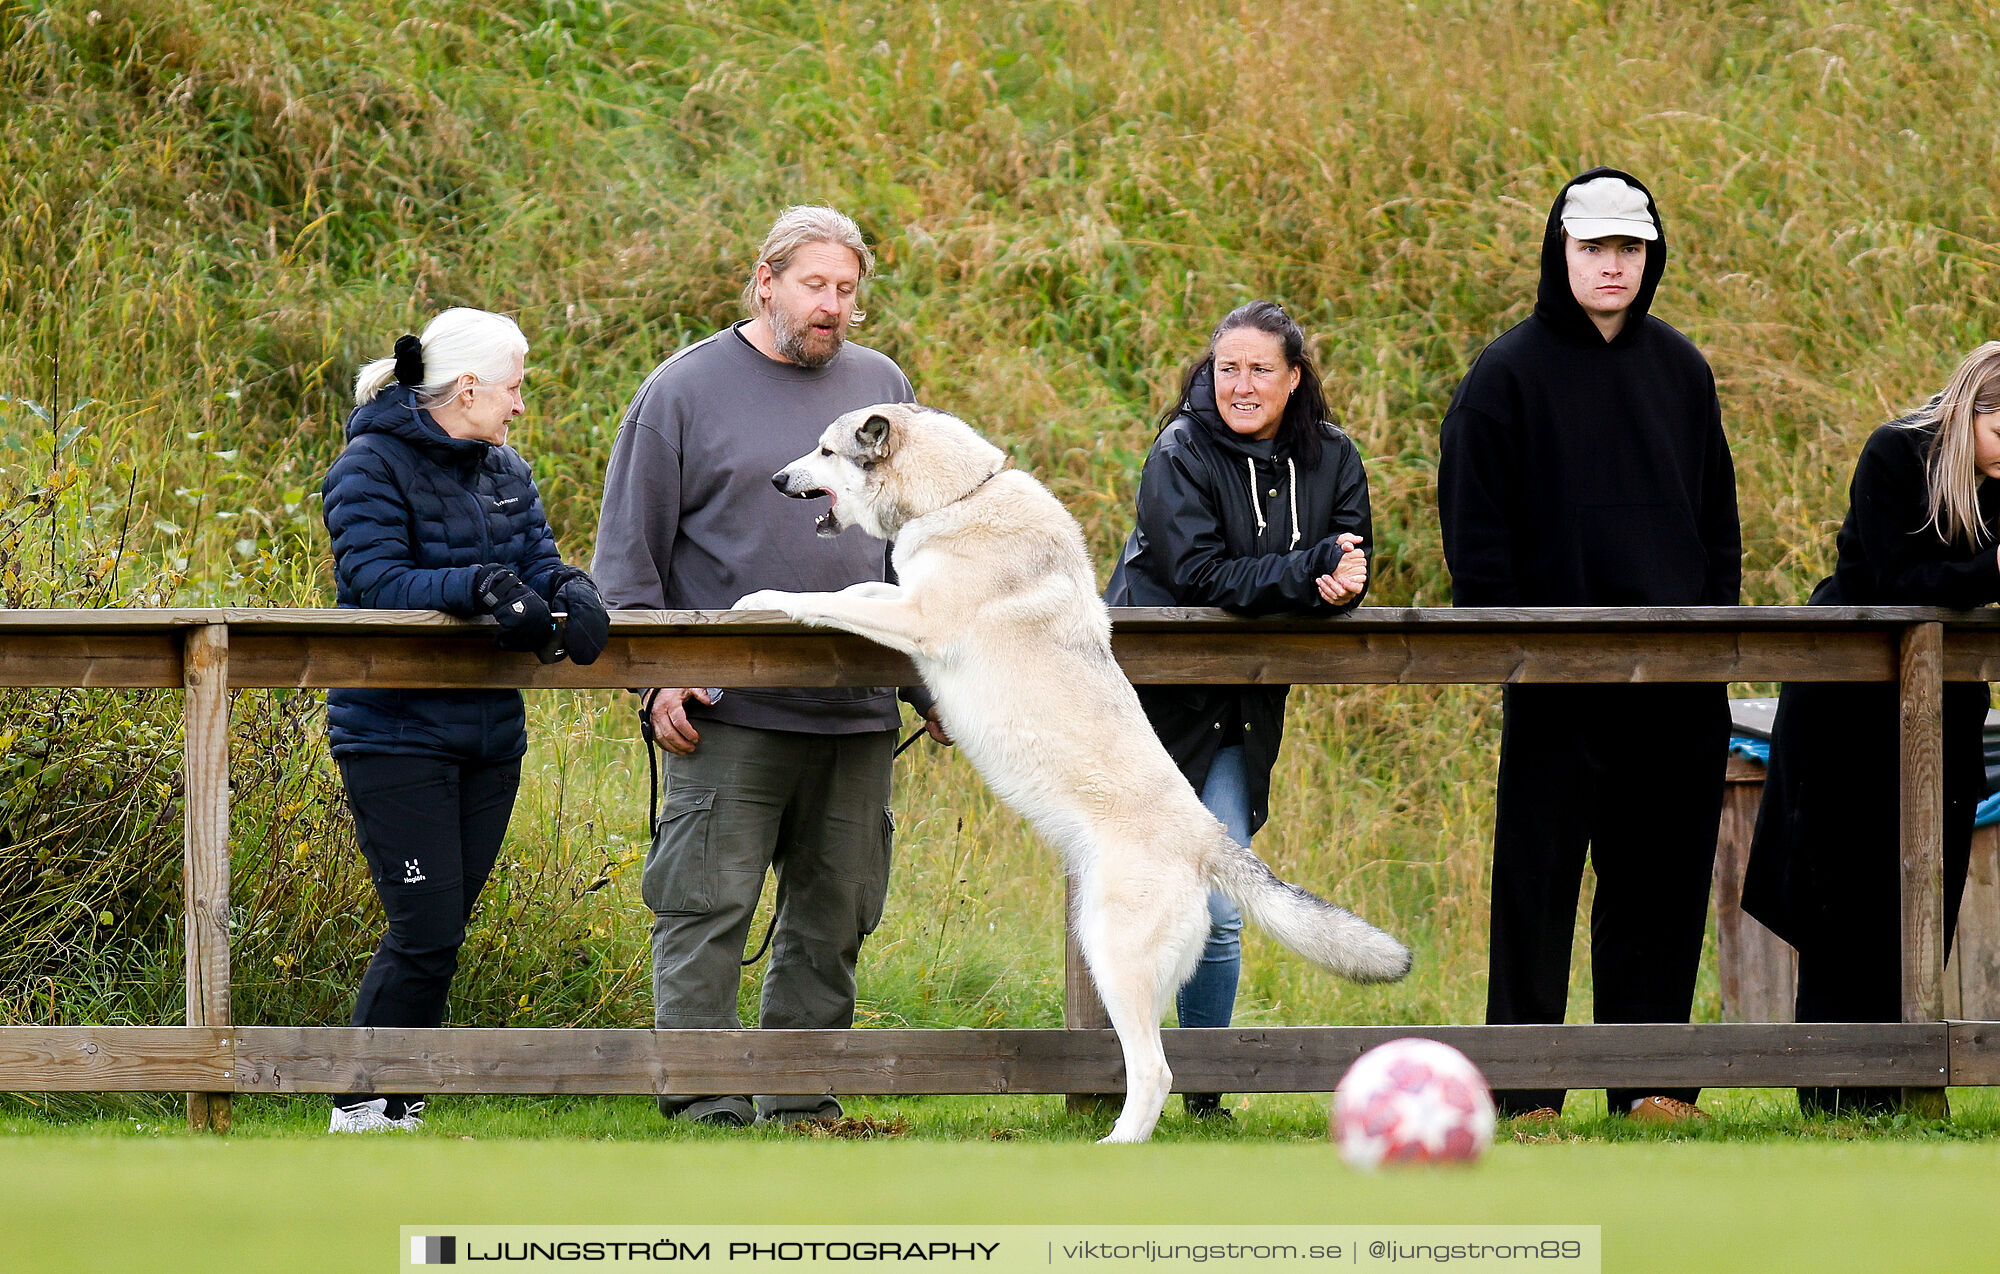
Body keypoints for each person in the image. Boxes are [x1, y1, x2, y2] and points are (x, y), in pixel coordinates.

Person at [591, 206, 938, 1128]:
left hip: (857, 708)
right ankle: (705, 1102)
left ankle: (801, 1104)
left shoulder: (883, 389)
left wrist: (928, 680)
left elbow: (917, 542)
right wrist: (657, 673)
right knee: (706, 908)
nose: (832, 306)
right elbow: (627, 558)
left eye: (847, 291)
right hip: (727, 711)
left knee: (834, 919)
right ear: (767, 280)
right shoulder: (683, 390)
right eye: (815, 285)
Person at [1438, 168, 1741, 1123]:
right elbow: (1474, 531)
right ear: (1559, 252)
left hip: (1677, 684)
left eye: (1630, 248)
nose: (1613, 265)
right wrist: (1518, 644)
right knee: (1537, 883)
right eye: (1594, 247)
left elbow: (1717, 523)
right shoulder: (1506, 373)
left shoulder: (1683, 371)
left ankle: (1651, 1083)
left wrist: (1708, 645)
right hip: (1556, 680)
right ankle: (1526, 1093)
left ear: (1651, 257)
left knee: (1662, 883)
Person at [321, 307, 610, 1133]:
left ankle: (399, 1103)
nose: (521, 405)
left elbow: (539, 562)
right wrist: (480, 587)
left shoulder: (504, 470)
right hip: (394, 732)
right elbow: (376, 580)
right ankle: (359, 1103)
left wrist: (573, 591)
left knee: (443, 931)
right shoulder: (368, 465)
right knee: (425, 924)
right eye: (515, 388)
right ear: (472, 386)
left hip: (490, 733)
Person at [1105, 300, 1372, 1119]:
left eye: (1261, 369)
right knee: (1139, 899)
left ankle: (1204, 1092)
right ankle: (1126, 1078)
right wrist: (1312, 570)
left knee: (1221, 907)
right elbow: (1200, 577)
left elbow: (1350, 549)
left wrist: (1342, 582)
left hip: (1243, 711)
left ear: (1294, 378)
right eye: (1228, 368)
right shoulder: (1177, 452)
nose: (1241, 384)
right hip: (1149, 712)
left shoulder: (1333, 456)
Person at [1744, 342, 2000, 1116]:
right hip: (1846, 706)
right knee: (1840, 896)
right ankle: (1831, 1098)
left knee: (1932, 885)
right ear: (1970, 410)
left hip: (1947, 702)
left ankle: (1910, 1091)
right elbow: (1897, 579)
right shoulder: (1898, 454)